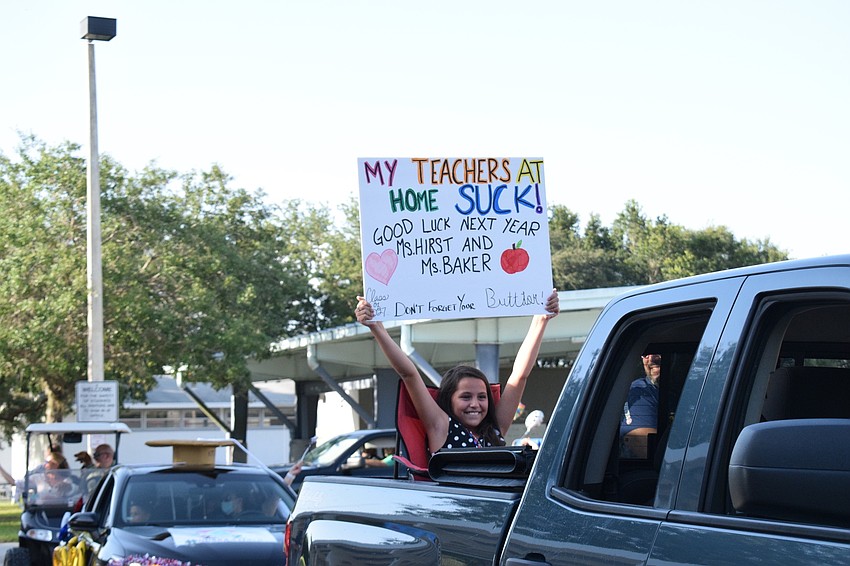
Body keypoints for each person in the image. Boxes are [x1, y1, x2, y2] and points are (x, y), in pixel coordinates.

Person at [356, 289, 559, 456]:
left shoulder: (496, 429)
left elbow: (519, 375)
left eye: (482, 397)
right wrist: (376, 327)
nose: (475, 404)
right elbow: (409, 374)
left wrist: (541, 320)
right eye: (465, 397)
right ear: (448, 400)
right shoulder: (440, 425)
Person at [620, 354, 661, 458]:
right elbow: (644, 446)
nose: (651, 359)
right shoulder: (639, 392)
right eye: (646, 355)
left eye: (658, 353)